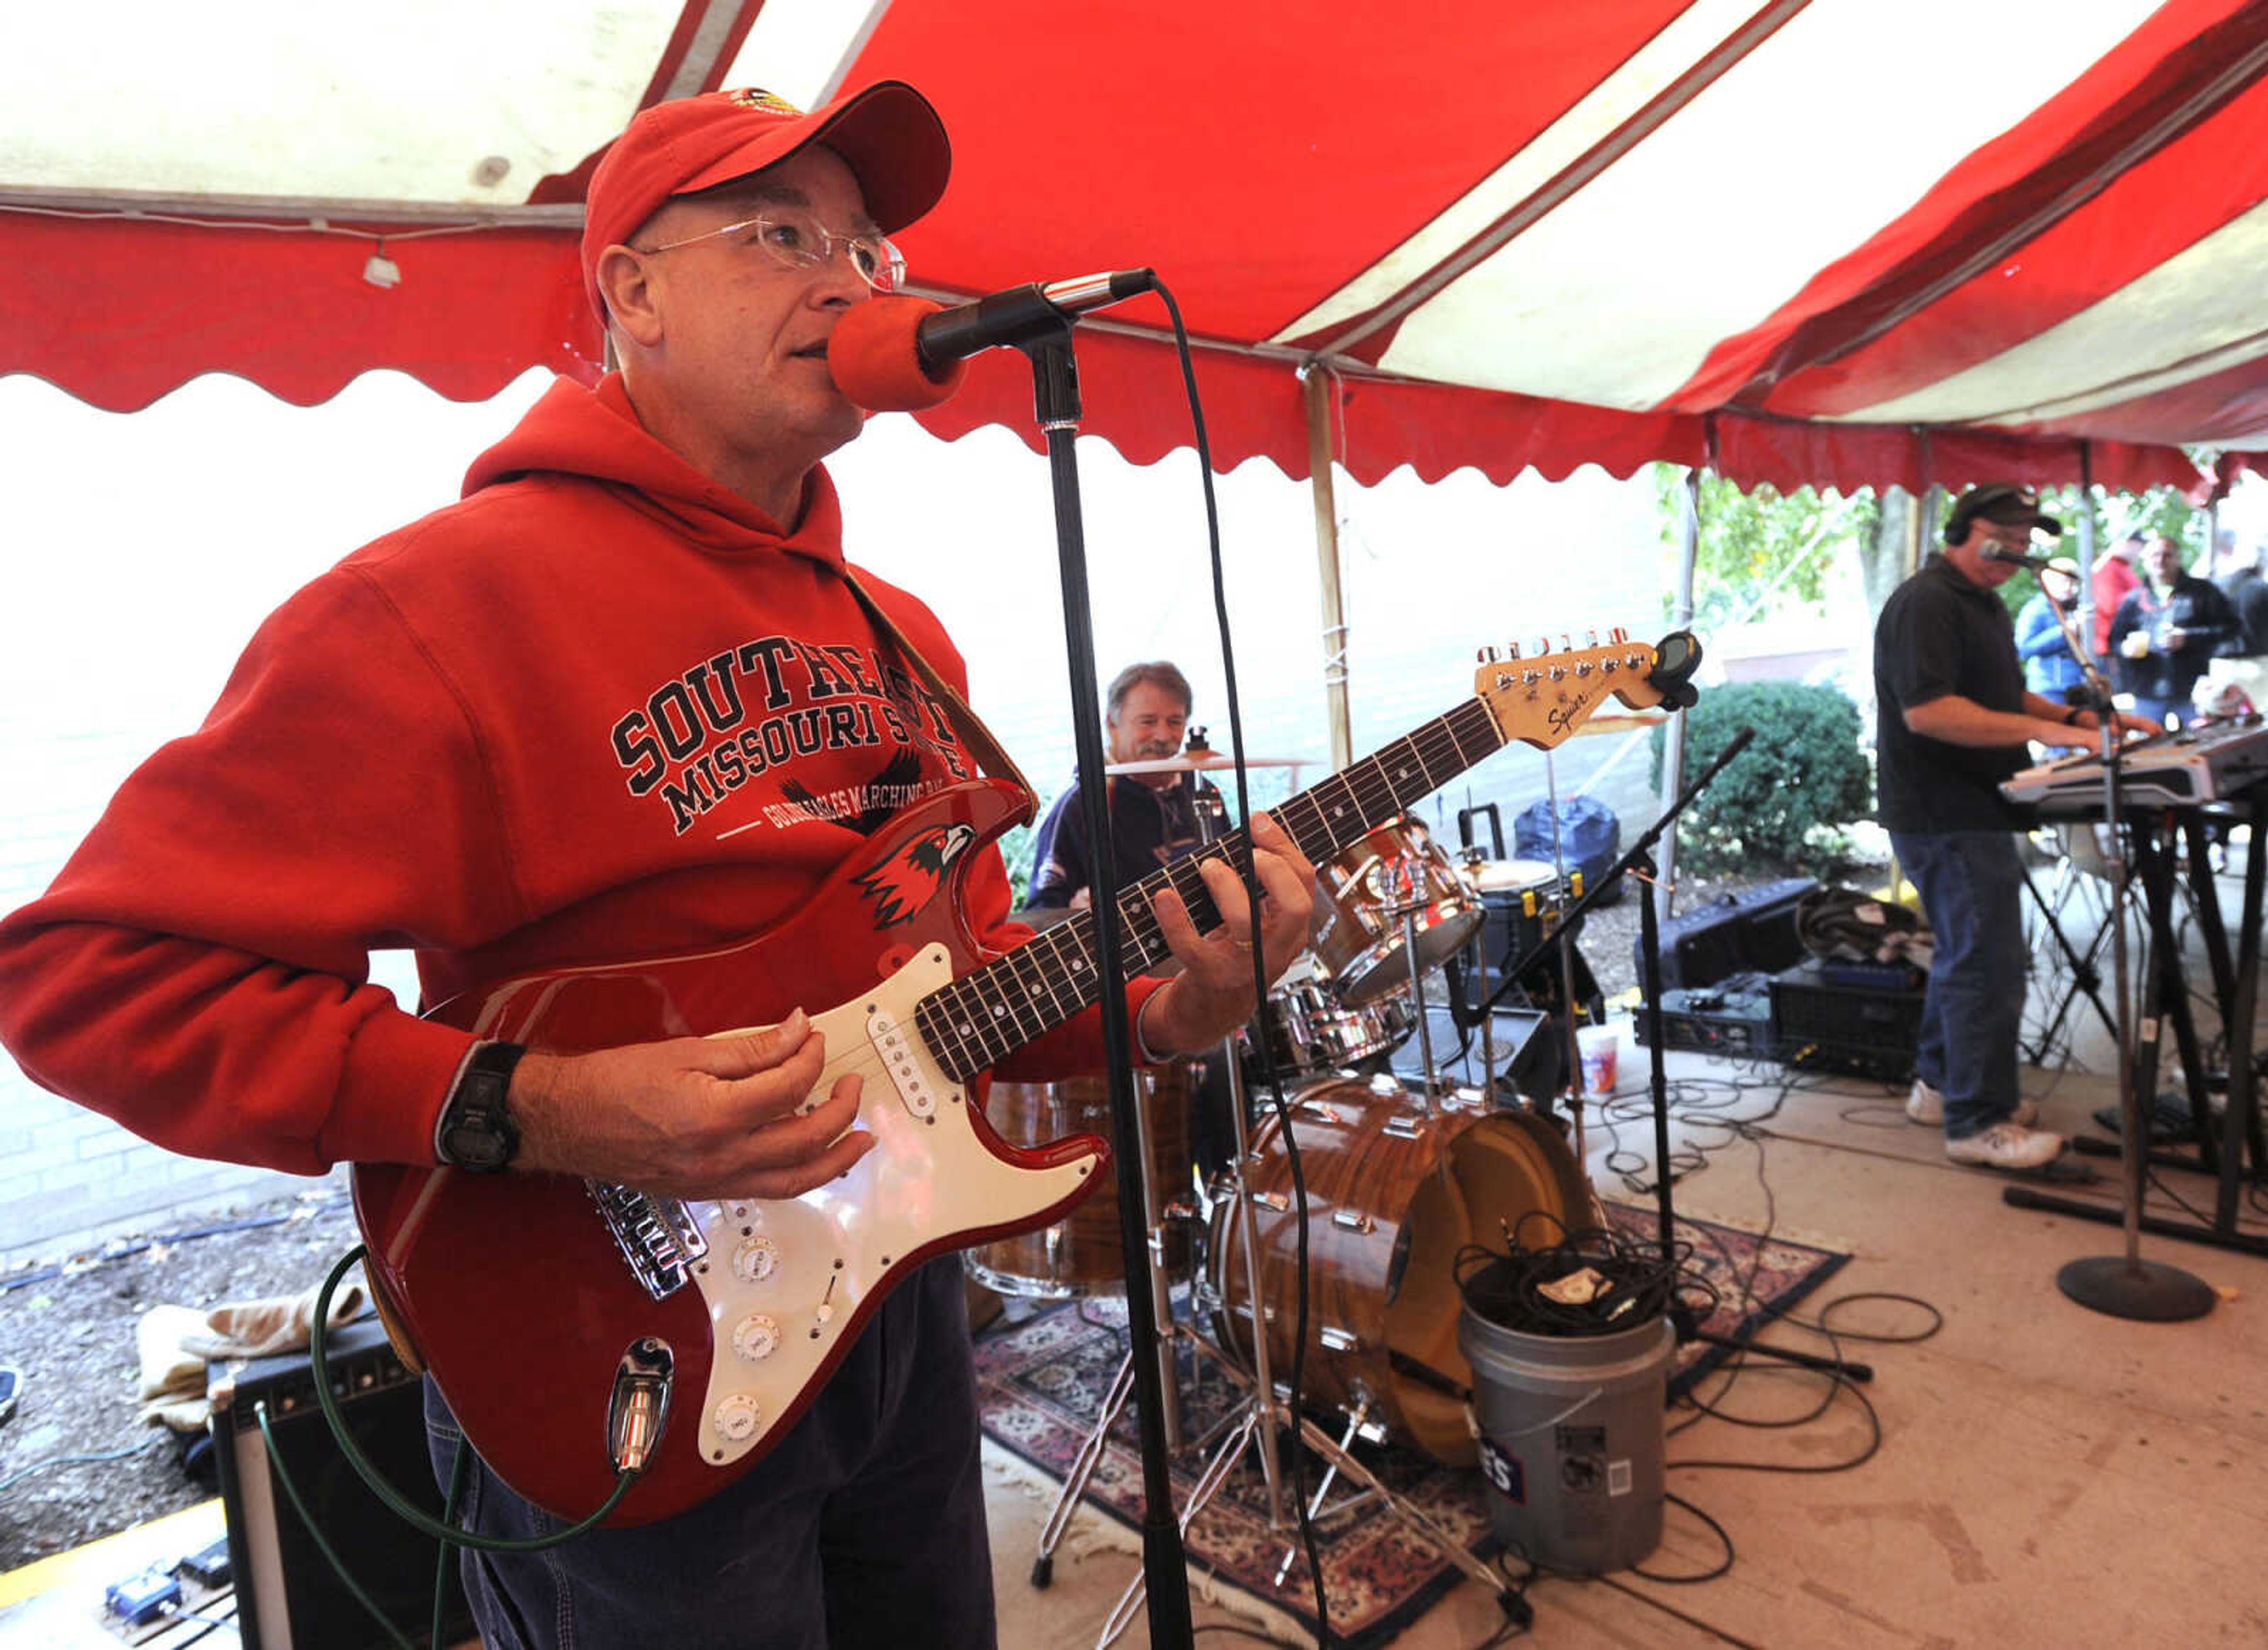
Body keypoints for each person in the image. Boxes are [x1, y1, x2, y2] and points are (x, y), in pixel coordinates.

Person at [0, 83, 1315, 1650]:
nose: (851, 281)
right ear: (630, 288)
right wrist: (535, 1104)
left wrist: (1174, 1009)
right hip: (603, 1349)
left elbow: (954, 994)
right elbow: (86, 975)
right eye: (780, 234)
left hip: (893, 1316)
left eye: (868, 244)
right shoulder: (438, 609)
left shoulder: (907, 636)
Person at [1874, 484, 2156, 1171]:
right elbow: (1930, 712)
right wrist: (2039, 730)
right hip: (1945, 811)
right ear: (1968, 529)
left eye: (2029, 539)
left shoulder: (1984, 603)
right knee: (1989, 961)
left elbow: (2000, 697)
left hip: (1979, 803)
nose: (2020, 550)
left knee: (1967, 954)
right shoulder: (1927, 601)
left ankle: (1942, 1088)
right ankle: (1978, 1121)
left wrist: (2079, 722)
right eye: (2008, 536)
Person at [1022, 660, 1216, 912]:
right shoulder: (1080, 805)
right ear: (1112, 725)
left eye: (1175, 722)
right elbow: (1040, 914)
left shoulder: (1201, 788)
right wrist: (1073, 912)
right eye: (1148, 722)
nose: (1163, 736)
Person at [2107, 533, 2240, 727]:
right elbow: (2114, 640)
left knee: (2204, 744)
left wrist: (2188, 638)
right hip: (2147, 690)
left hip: (2194, 690)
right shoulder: (2133, 600)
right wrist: (2125, 649)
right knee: (2149, 751)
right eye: (2154, 555)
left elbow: (2231, 628)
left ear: (2178, 558)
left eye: (2167, 555)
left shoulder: (2203, 592)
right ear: (2144, 560)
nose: (2160, 560)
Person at [2013, 556, 2087, 700]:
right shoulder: (2036, 609)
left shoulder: (2075, 608)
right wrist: (2062, 632)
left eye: (2071, 582)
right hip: (2050, 687)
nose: (2068, 587)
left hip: (2080, 685)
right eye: (2063, 581)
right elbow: (2024, 649)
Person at [2090, 530, 2146, 666]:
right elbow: (2110, 605)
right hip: (2112, 644)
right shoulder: (2109, 568)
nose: (2139, 551)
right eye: (2138, 546)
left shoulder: (2123, 568)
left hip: (2122, 641)